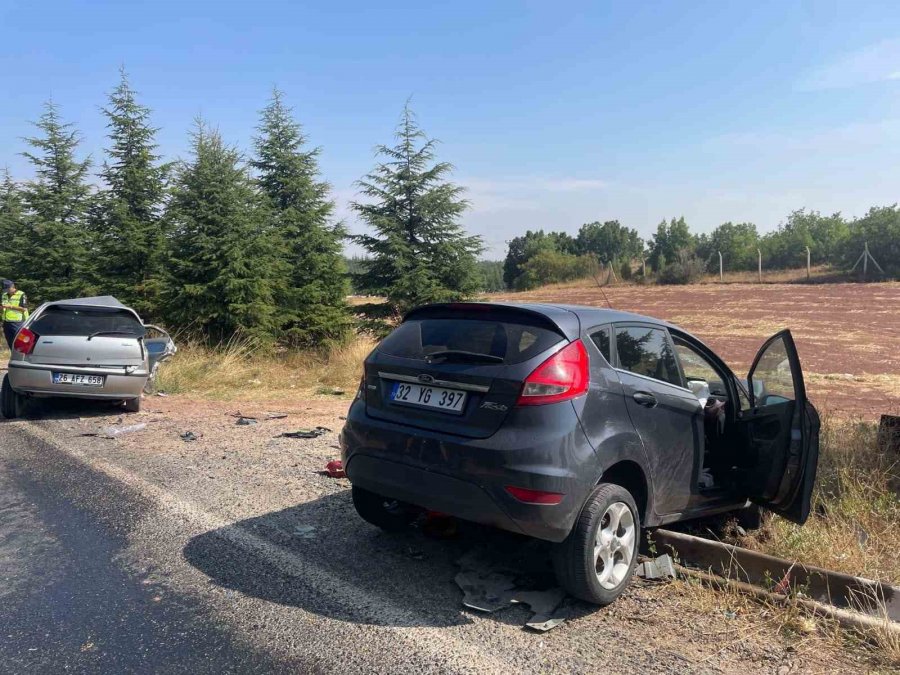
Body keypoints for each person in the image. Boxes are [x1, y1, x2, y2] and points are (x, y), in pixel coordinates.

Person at [2, 280, 28, 350]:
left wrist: (10, 306)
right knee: (10, 343)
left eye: (8, 289)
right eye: (5, 289)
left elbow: (24, 309)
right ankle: (13, 355)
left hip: (18, 323)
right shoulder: (4, 295)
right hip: (7, 322)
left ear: (12, 286)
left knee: (20, 343)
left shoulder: (21, 294)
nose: (7, 291)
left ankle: (22, 356)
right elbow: (3, 306)